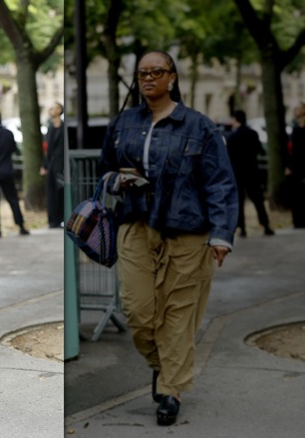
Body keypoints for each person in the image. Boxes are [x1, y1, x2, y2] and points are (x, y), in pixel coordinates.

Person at [98, 50, 238, 426]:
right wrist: (118, 179)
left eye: (157, 72)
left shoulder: (199, 126)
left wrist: (222, 234)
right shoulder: (124, 122)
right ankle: (166, 367)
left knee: (178, 314)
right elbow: (105, 169)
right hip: (135, 226)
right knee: (139, 311)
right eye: (142, 73)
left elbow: (220, 183)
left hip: (188, 230)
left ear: (172, 77)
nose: (148, 79)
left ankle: (171, 390)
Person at [0, 110, 30, 237]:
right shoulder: (8, 134)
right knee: (13, 200)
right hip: (7, 171)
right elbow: (13, 149)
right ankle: (21, 226)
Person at [225, 110, 273, 236]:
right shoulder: (253, 133)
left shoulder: (232, 137)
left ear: (236, 120)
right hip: (252, 171)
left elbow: (228, 156)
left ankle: (242, 228)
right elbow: (260, 151)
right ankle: (266, 225)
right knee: (258, 200)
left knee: (239, 201)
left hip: (238, 173)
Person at [40, 103, 65, 228]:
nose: (50, 110)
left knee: (61, 192)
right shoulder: (50, 127)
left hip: (61, 165)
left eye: (52, 108)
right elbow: (47, 149)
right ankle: (52, 220)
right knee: (51, 193)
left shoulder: (63, 127)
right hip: (51, 164)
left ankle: (61, 218)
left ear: (59, 110)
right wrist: (44, 165)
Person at [285, 102, 305, 228]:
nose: (294, 110)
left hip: (303, 166)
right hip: (295, 167)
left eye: (297, 108)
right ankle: (297, 221)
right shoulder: (295, 128)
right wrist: (288, 166)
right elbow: (291, 149)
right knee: (296, 194)